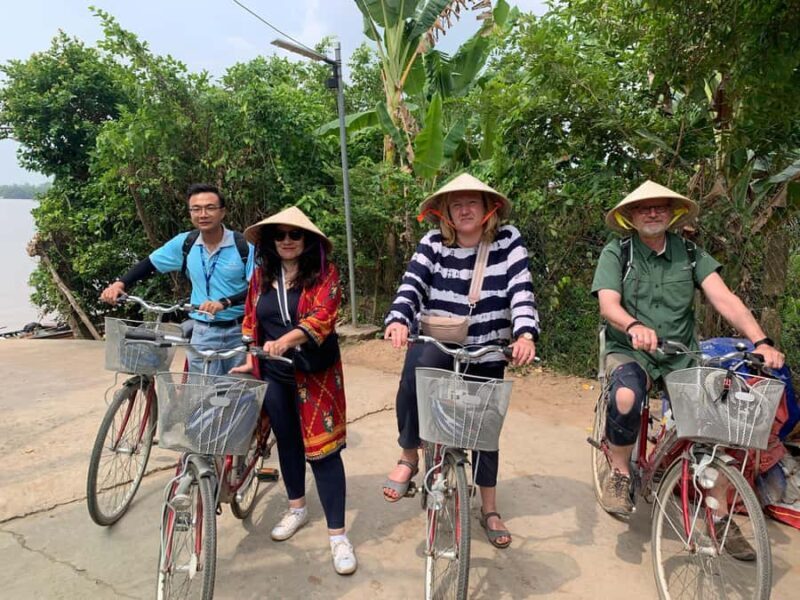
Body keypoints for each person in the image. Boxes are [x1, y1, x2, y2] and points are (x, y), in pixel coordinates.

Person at [591, 180, 785, 556]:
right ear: (630, 216)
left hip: (680, 354)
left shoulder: (691, 254)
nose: (652, 213)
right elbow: (608, 304)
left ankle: (722, 518)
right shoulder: (618, 252)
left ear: (672, 214)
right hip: (630, 349)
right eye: (644, 208)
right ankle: (619, 471)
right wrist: (633, 326)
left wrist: (760, 341)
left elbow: (724, 298)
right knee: (627, 396)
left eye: (660, 207)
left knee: (714, 427)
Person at [383, 173, 540, 549]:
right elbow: (412, 284)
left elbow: (521, 288)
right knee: (414, 373)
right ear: (446, 213)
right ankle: (409, 454)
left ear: (489, 209)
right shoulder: (433, 242)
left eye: (473, 202)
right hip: (441, 339)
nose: (465, 209)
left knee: (486, 426)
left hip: (488, 346)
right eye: (457, 204)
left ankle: (489, 509)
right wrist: (398, 320)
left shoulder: (508, 240)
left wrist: (525, 333)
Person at [230, 206, 356, 575]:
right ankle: (297, 508)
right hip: (274, 374)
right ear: (271, 242)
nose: (286, 241)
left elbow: (322, 316)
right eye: (279, 235)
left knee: (325, 453)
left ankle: (338, 536)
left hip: (315, 374)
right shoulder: (261, 276)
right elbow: (251, 320)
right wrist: (251, 359)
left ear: (307, 240)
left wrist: (286, 340)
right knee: (287, 442)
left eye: (294, 235)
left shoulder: (325, 274)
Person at [100, 183, 254, 375]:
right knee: (201, 392)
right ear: (190, 213)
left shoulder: (243, 246)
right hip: (202, 331)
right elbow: (149, 264)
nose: (203, 214)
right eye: (196, 209)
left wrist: (225, 303)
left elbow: (258, 288)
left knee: (238, 391)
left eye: (210, 208)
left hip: (239, 330)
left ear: (223, 212)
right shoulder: (186, 243)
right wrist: (119, 283)